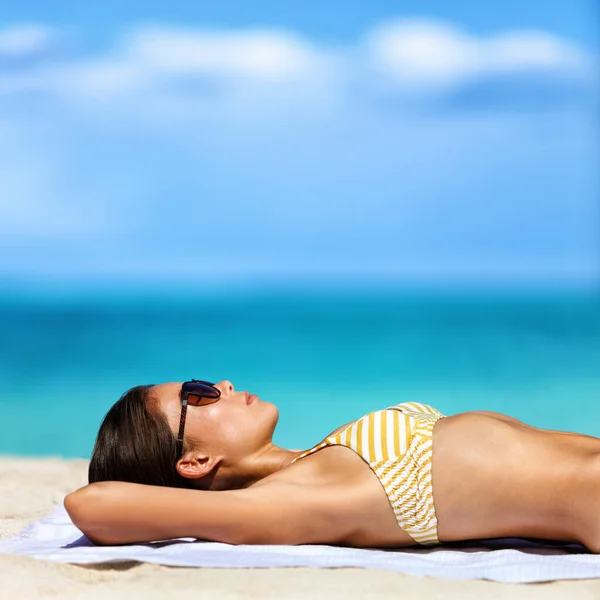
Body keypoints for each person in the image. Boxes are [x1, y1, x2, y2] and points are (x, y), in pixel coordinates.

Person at [64, 379, 600, 551]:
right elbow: (92, 504)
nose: (221, 385)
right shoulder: (283, 503)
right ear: (195, 460)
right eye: (198, 395)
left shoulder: (317, 460)